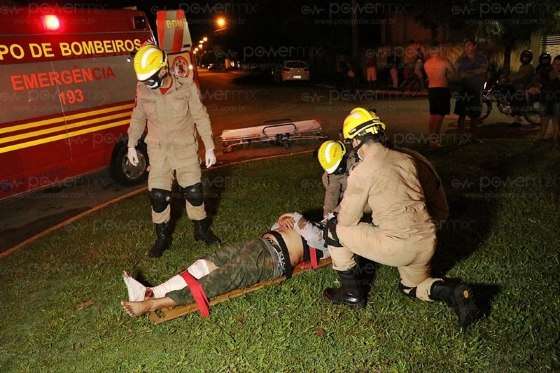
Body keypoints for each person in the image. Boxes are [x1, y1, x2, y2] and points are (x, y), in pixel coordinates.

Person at [322, 108, 479, 327]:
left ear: (356, 140)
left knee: (333, 228)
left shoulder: (363, 170)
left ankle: (351, 294)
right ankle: (454, 292)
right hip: (427, 241)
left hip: (398, 246)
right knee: (412, 287)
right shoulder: (406, 159)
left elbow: (346, 221)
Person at [120, 212, 329, 317]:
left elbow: (317, 237)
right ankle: (150, 291)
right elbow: (278, 224)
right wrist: (283, 218)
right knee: (206, 263)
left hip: (272, 259)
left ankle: (152, 304)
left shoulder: (330, 239)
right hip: (259, 243)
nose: (329, 218)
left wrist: (297, 218)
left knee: (221, 278)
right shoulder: (311, 221)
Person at [127, 44, 220, 258]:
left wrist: (210, 146)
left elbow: (200, 116)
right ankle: (162, 238)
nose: (147, 84)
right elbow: (138, 117)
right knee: (158, 196)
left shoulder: (186, 86)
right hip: (159, 151)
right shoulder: (143, 90)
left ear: (163, 69)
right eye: (144, 80)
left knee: (194, 193)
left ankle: (201, 231)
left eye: (150, 79)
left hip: (185, 149)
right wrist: (132, 143)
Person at [454, 39, 488, 134]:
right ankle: (460, 135)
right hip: (464, 89)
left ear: (475, 46)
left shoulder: (481, 57)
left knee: (475, 114)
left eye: (469, 45)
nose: (467, 48)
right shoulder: (461, 59)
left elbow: (483, 69)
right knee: (462, 113)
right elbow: (459, 73)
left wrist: (468, 72)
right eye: (465, 46)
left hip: (476, 89)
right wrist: (474, 72)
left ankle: (474, 136)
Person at [424, 42, 455, 148]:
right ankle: (435, 141)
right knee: (440, 115)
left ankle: (431, 138)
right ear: (438, 50)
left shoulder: (426, 63)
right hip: (442, 89)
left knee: (433, 114)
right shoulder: (444, 62)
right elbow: (454, 74)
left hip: (431, 89)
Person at [317, 140, 358, 218]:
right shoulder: (333, 173)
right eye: (333, 171)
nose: (336, 173)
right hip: (348, 195)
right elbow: (332, 191)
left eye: (337, 169)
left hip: (365, 194)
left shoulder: (358, 164)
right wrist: (327, 215)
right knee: (326, 179)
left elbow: (356, 194)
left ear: (343, 156)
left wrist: (336, 213)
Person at [534, 53, 560, 144]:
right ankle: (541, 136)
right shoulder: (546, 72)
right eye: (555, 64)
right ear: (552, 63)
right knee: (544, 119)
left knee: (556, 120)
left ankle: (555, 138)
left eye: (559, 64)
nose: (557, 66)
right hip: (546, 99)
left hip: (557, 101)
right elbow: (541, 82)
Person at [508, 50, 535, 127]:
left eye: (526, 57)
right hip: (520, 85)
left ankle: (517, 120)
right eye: (524, 57)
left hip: (525, 87)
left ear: (529, 58)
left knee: (517, 99)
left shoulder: (529, 67)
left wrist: (512, 78)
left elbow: (522, 76)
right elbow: (518, 75)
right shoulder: (522, 66)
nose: (525, 59)